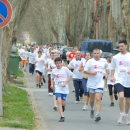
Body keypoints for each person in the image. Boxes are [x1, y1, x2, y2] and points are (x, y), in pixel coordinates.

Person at [84, 49, 108, 122]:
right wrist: (91, 73)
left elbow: (107, 69)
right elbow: (85, 70)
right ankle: (92, 108)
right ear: (93, 54)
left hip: (100, 83)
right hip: (91, 83)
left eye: (98, 53)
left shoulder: (104, 61)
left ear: (100, 54)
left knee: (98, 98)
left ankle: (97, 114)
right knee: (92, 99)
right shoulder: (90, 61)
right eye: (95, 53)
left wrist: (106, 74)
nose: (96, 54)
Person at [111, 40, 130, 124]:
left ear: (126, 46)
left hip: (128, 80)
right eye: (119, 47)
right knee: (121, 97)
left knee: (128, 101)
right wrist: (112, 76)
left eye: (122, 46)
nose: (121, 48)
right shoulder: (115, 57)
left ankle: (126, 115)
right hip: (119, 79)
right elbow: (112, 67)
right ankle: (121, 114)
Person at [51, 57, 73, 122]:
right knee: (59, 101)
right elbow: (52, 78)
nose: (58, 64)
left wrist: (65, 82)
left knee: (63, 102)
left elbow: (70, 76)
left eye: (59, 63)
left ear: (61, 63)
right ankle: (62, 116)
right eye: (56, 63)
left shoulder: (65, 69)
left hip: (64, 88)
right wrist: (52, 84)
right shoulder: (54, 70)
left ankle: (63, 106)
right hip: (57, 87)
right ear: (55, 64)